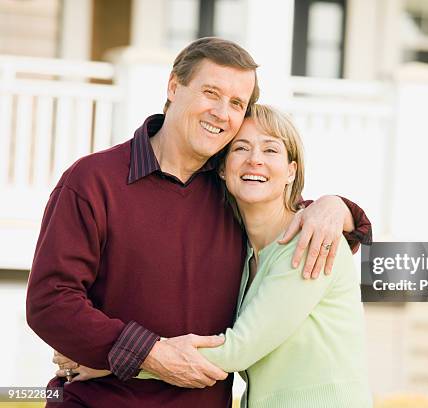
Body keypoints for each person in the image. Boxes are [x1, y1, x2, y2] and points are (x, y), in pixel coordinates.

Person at [26, 37, 371, 407]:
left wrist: (338, 207)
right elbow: (51, 302)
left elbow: (297, 218)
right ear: (174, 87)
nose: (222, 113)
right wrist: (140, 354)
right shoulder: (94, 181)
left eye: (236, 103)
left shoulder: (231, 192)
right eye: (211, 93)